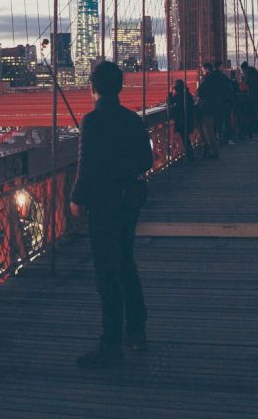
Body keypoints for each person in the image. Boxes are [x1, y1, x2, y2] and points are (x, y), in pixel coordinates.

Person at [71, 60, 154, 368]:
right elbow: (146, 160)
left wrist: (77, 198)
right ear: (119, 87)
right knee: (126, 262)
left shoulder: (91, 121)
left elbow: (87, 166)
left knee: (107, 273)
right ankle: (136, 330)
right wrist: (123, 173)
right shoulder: (133, 120)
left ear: (93, 88)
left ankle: (110, 345)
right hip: (129, 201)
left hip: (103, 205)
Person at [195, 63, 222, 158]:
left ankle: (212, 149)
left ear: (207, 70)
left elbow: (200, 92)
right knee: (208, 128)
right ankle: (209, 147)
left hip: (208, 107)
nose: (202, 72)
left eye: (203, 70)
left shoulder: (208, 79)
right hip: (214, 106)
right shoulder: (216, 78)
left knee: (208, 129)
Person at [169, 79, 194, 161]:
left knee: (185, 139)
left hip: (181, 120)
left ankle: (189, 156)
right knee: (186, 138)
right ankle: (189, 154)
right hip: (189, 119)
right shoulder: (188, 95)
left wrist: (170, 93)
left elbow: (169, 102)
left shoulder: (177, 97)